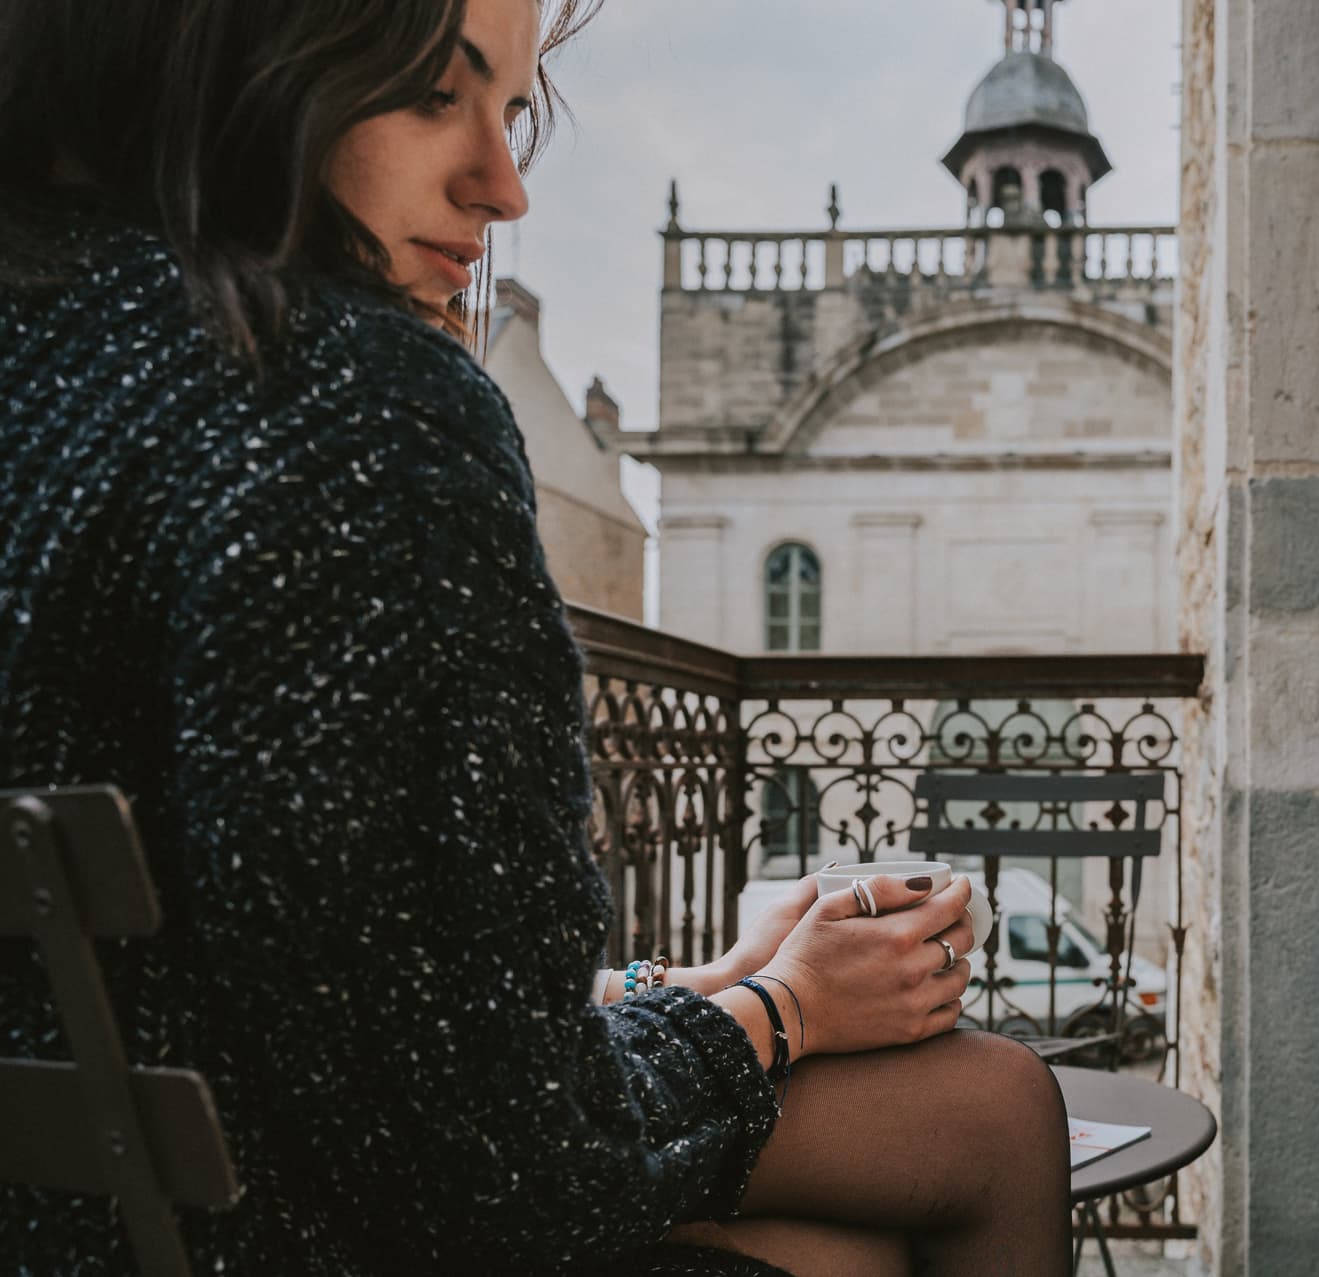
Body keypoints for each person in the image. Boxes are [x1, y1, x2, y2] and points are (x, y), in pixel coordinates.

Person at [0, 2, 1071, 1274]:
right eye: (430, 94)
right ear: (232, 54)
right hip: (303, 1219)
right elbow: (510, 1160)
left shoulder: (47, 343)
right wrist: (784, 1008)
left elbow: (335, 966)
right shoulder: (353, 406)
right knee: (995, 1106)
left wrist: (703, 982)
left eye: (511, 112)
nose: (503, 185)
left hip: (89, 1213)